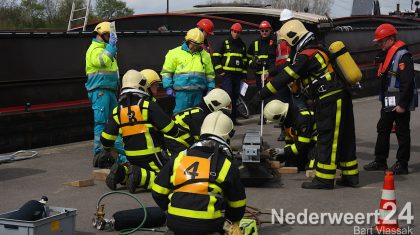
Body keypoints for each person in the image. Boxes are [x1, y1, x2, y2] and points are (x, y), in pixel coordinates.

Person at [251, 20, 359, 189]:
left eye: (286, 41)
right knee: (345, 136)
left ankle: (324, 178)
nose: (285, 45)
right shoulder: (312, 50)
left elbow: (287, 75)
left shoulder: (308, 54)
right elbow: (286, 68)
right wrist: (270, 70)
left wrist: (260, 94)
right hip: (337, 96)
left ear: (294, 37)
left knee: (328, 137)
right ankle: (350, 175)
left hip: (329, 98)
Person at [152, 111, 246, 235]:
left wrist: (171, 211)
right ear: (229, 135)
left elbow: (157, 192)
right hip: (209, 226)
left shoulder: (180, 157)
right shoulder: (227, 165)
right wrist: (231, 223)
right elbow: (237, 204)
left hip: (174, 222)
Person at [100, 70, 180, 192]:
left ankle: (121, 174)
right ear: (142, 85)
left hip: (131, 157)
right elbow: (171, 130)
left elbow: (106, 139)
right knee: (167, 179)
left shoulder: (117, 111)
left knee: (139, 172)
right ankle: (139, 176)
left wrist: (107, 149)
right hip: (152, 155)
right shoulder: (148, 106)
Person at [363, 23, 417, 175]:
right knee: (383, 128)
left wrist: (402, 104)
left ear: (391, 39)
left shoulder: (403, 56)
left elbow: (407, 82)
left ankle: (402, 164)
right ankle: (380, 160)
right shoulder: (388, 54)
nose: (379, 44)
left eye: (381, 41)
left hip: (399, 101)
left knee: (402, 131)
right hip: (389, 100)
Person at [85, 21, 128, 168]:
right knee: (101, 122)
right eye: (109, 35)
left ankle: (117, 154)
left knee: (115, 122)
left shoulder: (105, 48)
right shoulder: (94, 49)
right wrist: (111, 47)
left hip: (109, 90)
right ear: (102, 34)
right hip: (100, 90)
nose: (111, 38)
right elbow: (101, 62)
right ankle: (99, 153)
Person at [161, 28, 215, 114]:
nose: (195, 47)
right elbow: (166, 72)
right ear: (187, 40)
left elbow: (210, 74)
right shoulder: (174, 53)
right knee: (179, 116)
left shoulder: (205, 55)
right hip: (181, 93)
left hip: (198, 93)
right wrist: (168, 87)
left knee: (197, 116)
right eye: (193, 44)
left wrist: (210, 88)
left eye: (198, 45)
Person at [164, 88, 232, 157]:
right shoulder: (200, 117)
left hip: (176, 143)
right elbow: (204, 142)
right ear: (216, 105)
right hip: (176, 146)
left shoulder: (198, 111)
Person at [264, 99, 317, 171]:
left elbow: (303, 145)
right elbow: (289, 142)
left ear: (280, 116)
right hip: (305, 145)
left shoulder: (302, 119)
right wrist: (279, 155)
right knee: (291, 164)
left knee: (312, 166)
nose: (278, 123)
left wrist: (283, 151)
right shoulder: (287, 121)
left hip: (318, 144)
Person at [213, 23, 247, 125]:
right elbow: (215, 57)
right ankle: (225, 120)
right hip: (227, 75)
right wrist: (220, 71)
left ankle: (233, 119)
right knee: (228, 96)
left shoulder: (242, 45)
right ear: (231, 31)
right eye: (234, 31)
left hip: (237, 76)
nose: (235, 34)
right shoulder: (225, 42)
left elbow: (244, 61)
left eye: (238, 32)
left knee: (235, 97)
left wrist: (244, 75)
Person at [247, 20, 277, 90]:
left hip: (271, 75)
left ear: (270, 30)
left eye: (266, 31)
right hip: (258, 76)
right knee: (260, 94)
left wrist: (270, 72)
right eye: (262, 31)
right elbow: (248, 58)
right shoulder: (254, 43)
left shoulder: (274, 43)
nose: (264, 32)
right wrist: (254, 62)